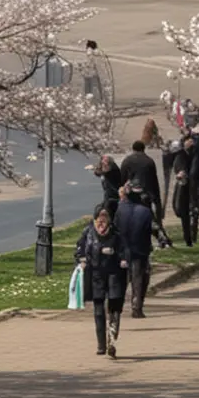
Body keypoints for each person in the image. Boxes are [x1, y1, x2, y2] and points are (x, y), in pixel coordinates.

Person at [75, 208, 128, 358]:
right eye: (99, 218)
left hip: (114, 274)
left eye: (105, 218)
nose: (102, 222)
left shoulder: (116, 234)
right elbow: (80, 249)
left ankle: (112, 338)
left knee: (114, 305)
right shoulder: (88, 232)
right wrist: (82, 259)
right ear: (95, 220)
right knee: (98, 308)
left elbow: (125, 250)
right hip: (96, 274)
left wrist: (122, 258)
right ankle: (101, 344)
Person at [114, 184, 156, 318]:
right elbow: (153, 228)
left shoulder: (119, 209)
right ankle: (137, 307)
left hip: (122, 249)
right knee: (139, 279)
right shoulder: (145, 212)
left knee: (121, 279)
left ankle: (115, 306)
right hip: (140, 249)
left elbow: (114, 228)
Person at [118, 140, 164, 223]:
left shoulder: (127, 161)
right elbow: (154, 182)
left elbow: (121, 180)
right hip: (146, 195)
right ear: (144, 149)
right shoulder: (149, 161)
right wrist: (158, 203)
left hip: (131, 195)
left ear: (133, 149)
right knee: (146, 220)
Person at [171, 135, 199, 246]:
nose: (191, 143)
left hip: (194, 187)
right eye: (188, 141)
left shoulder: (197, 154)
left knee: (195, 212)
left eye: (192, 141)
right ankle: (188, 239)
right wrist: (180, 173)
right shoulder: (180, 155)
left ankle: (193, 236)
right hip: (184, 188)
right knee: (184, 214)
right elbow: (178, 168)